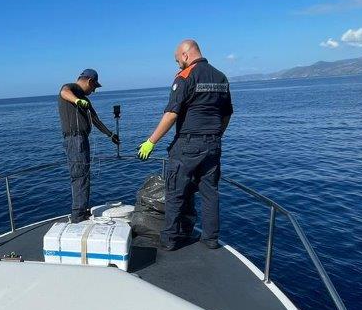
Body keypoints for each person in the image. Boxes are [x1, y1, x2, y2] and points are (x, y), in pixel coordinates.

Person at [137, 40, 233, 249]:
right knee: (210, 193)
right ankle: (210, 239)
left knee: (176, 192)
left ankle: (170, 241)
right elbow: (226, 114)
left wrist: (150, 142)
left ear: (186, 55)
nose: (178, 64)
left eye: (178, 59)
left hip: (188, 145)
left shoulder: (185, 76)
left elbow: (171, 114)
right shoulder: (221, 77)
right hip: (213, 144)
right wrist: (216, 136)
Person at [58, 68, 119, 223]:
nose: (93, 91)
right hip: (75, 140)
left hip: (81, 139)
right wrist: (77, 101)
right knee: (79, 175)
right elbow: (64, 92)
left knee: (84, 175)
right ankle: (78, 214)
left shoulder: (86, 100)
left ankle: (82, 211)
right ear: (89, 81)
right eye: (94, 87)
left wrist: (110, 134)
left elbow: (95, 120)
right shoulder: (71, 88)